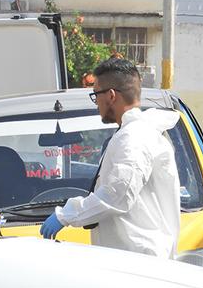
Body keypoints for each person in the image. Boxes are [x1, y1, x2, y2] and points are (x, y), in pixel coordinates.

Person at [40, 58, 181, 259]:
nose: (95, 102)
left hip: (139, 261)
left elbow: (118, 195)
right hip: (132, 258)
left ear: (111, 95)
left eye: (95, 94)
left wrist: (66, 215)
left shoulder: (134, 138)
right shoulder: (134, 133)